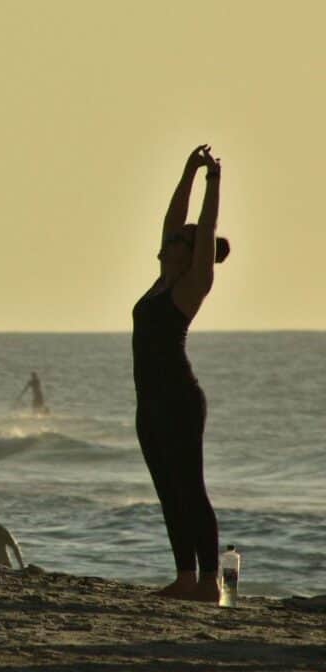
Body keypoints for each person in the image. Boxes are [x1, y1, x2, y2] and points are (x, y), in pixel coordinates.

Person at [133, 144, 229, 603]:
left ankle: (209, 581)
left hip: (180, 399)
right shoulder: (160, 280)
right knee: (168, 490)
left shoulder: (192, 285)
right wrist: (187, 170)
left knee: (190, 487)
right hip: (149, 402)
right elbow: (173, 221)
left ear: (190, 254)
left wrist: (213, 181)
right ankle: (185, 578)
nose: (169, 240)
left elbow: (204, 228)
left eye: (178, 240)